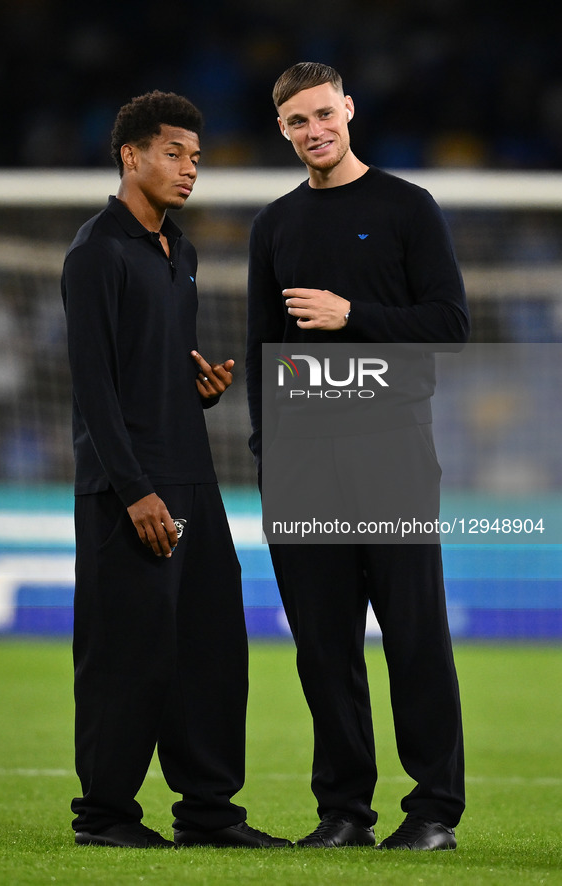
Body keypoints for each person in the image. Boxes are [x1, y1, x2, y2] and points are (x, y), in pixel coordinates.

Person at [246, 63, 469, 850]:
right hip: (303, 465)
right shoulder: (273, 225)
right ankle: (343, 812)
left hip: (392, 454)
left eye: (322, 114)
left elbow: (449, 324)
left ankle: (433, 811)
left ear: (347, 109)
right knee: (324, 646)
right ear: (282, 130)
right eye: (296, 122)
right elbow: (261, 348)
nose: (313, 130)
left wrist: (352, 316)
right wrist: (268, 462)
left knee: (414, 635)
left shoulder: (408, 208)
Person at [61, 90, 291, 850]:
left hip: (191, 477)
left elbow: (146, 373)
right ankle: (104, 818)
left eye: (196, 157)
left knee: (211, 650)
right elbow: (93, 388)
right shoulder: (96, 252)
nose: (190, 170)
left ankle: (208, 814)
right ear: (130, 155)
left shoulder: (181, 251)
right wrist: (135, 493)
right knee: (125, 654)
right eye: (173, 153)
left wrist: (194, 392)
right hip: (128, 492)